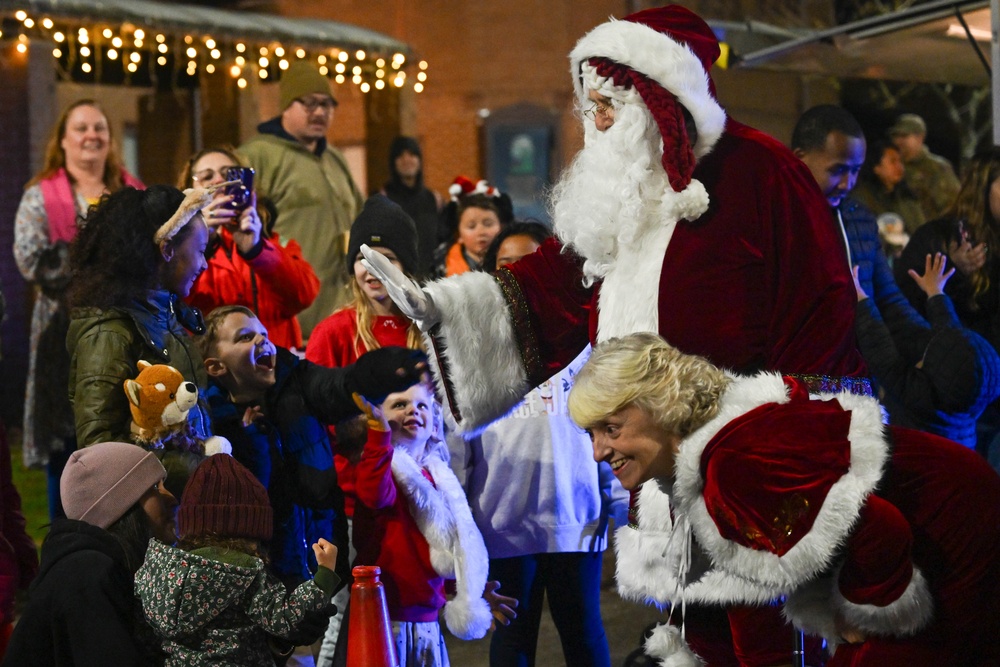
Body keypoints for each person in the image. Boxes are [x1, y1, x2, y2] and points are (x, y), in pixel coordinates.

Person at [362, 10, 866, 661]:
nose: (594, 123)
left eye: (608, 105)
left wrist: (780, 449)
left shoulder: (763, 176)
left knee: (759, 636)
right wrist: (441, 312)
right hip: (659, 477)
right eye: (588, 105)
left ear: (659, 99)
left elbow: (820, 324)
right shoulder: (621, 193)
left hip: (752, 475)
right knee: (692, 626)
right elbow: (548, 289)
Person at [568, 332, 1000, 667]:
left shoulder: (731, 465)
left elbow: (881, 531)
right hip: (931, 511)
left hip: (948, 521)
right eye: (591, 433)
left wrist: (856, 616)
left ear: (658, 406)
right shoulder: (704, 453)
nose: (598, 451)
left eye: (611, 427)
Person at [461, 221, 627, 667]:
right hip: (503, 520)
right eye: (505, 266)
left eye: (529, 265)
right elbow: (461, 442)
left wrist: (620, 503)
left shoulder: (582, 342)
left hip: (576, 516)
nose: (517, 276)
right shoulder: (472, 348)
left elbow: (609, 425)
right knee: (513, 640)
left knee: (584, 634)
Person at [197, 305, 424, 596]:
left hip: (321, 551)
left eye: (263, 334)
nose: (262, 341)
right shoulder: (212, 423)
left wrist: (387, 371)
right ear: (216, 366)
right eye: (244, 337)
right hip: (263, 571)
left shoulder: (297, 379)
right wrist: (254, 441)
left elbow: (340, 386)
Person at [305, 195, 424, 665]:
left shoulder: (426, 331)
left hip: (416, 506)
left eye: (387, 258)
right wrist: (370, 423)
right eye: (361, 258)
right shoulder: (335, 332)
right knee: (349, 624)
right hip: (354, 507)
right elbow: (314, 419)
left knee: (408, 622)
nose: (372, 269)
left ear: (408, 265)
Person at [13, 99, 143, 518]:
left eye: (100, 128)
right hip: (62, 337)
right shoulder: (39, 196)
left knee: (122, 438)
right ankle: (66, 549)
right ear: (63, 140)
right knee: (67, 445)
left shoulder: (132, 193)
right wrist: (101, 265)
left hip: (125, 330)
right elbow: (30, 258)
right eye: (81, 128)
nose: (92, 136)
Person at [352, 383, 517, 666]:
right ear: (379, 417)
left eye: (422, 405)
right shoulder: (380, 469)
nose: (412, 410)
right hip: (387, 618)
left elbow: (444, 542)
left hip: (428, 620)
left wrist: (465, 585)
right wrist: (378, 437)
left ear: (434, 427)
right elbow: (373, 494)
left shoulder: (437, 477)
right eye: (399, 405)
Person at [791, 105, 928, 423]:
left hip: (860, 382)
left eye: (856, 170)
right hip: (798, 385)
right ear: (799, 157)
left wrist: (934, 344)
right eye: (838, 170)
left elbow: (888, 297)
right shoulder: (776, 216)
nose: (847, 183)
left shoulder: (860, 217)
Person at [137, 454, 340, 666]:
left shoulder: (157, 569)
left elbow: (144, 636)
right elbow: (287, 619)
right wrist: (323, 577)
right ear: (247, 529)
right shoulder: (244, 573)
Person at [3, 441, 179, 666]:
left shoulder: (103, 565)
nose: (172, 497)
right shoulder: (87, 575)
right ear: (123, 507)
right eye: (155, 488)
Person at [67, 185, 212, 456]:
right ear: (167, 249)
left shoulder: (166, 315)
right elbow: (99, 450)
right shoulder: (109, 334)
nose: (204, 264)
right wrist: (166, 486)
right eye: (200, 250)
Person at [240, 62, 365, 339]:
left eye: (327, 104)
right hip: (294, 322)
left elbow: (361, 216)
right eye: (309, 104)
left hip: (345, 317)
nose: (320, 112)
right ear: (286, 105)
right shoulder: (258, 156)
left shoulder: (335, 158)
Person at [179, 146, 320, 351]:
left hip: (275, 363)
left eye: (229, 174)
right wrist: (200, 241)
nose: (219, 181)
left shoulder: (269, 237)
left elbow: (303, 295)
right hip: (211, 366)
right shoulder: (177, 247)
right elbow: (172, 303)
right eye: (206, 176)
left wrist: (256, 250)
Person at [853, 254, 1000, 449]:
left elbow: (882, 355)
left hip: (900, 450)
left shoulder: (918, 396)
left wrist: (861, 300)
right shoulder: (965, 397)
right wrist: (935, 292)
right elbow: (952, 337)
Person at [894, 148, 1000, 351]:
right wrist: (955, 271)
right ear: (983, 188)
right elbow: (906, 309)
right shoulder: (937, 237)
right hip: (957, 367)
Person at [382, 136, 442, 278]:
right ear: (393, 162)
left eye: (412, 154)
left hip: (431, 281)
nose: (407, 160)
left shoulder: (433, 199)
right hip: (397, 281)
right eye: (401, 156)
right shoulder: (383, 199)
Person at [889, 112, 960, 221]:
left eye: (904, 136)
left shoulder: (937, 168)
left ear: (920, 138)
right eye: (895, 136)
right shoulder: (890, 166)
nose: (898, 141)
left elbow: (952, 206)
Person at [434, 176, 510, 277]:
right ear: (459, 235)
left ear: (501, 227)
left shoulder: (513, 260)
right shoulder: (440, 267)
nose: (481, 232)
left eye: (488, 224)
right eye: (471, 226)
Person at [850, 140, 925, 238]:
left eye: (900, 161)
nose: (900, 167)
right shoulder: (860, 199)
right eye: (893, 161)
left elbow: (920, 232)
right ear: (877, 167)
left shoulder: (907, 197)